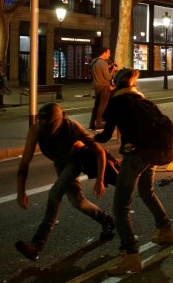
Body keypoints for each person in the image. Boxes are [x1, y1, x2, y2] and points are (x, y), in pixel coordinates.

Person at [94, 68, 173, 275]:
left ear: (116, 84)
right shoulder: (143, 100)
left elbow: (104, 136)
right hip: (154, 153)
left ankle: (131, 255)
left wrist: (89, 139)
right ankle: (166, 230)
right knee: (146, 191)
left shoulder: (117, 102)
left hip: (136, 155)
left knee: (120, 207)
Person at [15, 103, 115, 261]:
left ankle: (37, 244)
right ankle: (106, 220)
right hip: (59, 162)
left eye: (51, 125)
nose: (48, 130)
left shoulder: (73, 127)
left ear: (60, 120)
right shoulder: (37, 129)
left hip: (74, 161)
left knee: (54, 195)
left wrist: (100, 179)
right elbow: (24, 162)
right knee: (77, 201)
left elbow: (100, 151)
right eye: (44, 125)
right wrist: (21, 191)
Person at [89, 48, 116, 130]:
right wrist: (113, 70)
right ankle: (99, 124)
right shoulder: (103, 63)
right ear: (104, 53)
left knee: (96, 105)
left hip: (97, 86)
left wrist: (107, 68)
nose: (109, 55)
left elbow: (99, 72)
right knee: (102, 106)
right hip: (104, 87)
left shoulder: (94, 61)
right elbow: (108, 77)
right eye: (108, 53)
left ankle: (92, 124)